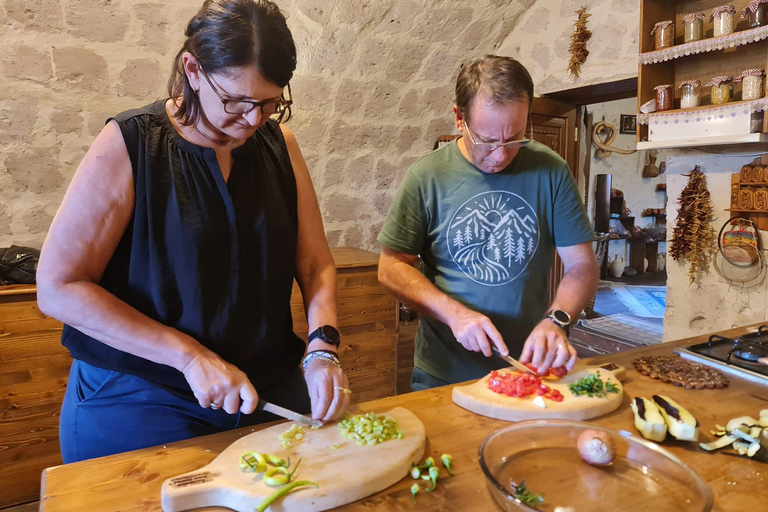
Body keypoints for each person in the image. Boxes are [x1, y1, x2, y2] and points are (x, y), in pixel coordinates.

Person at [36, 0, 350, 463]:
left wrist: (323, 347)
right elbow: (58, 287)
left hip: (265, 385)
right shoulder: (132, 143)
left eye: (269, 104)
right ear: (193, 69)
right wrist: (189, 356)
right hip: (141, 391)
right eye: (236, 102)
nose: (253, 121)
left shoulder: (280, 145)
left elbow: (315, 263)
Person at [377, 55, 598, 391]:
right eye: (488, 140)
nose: (500, 155)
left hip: (528, 368)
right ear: (458, 118)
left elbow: (581, 266)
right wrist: (455, 314)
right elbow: (391, 267)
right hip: (444, 373)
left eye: (515, 138)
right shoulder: (428, 176)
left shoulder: (550, 170)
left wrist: (557, 320)